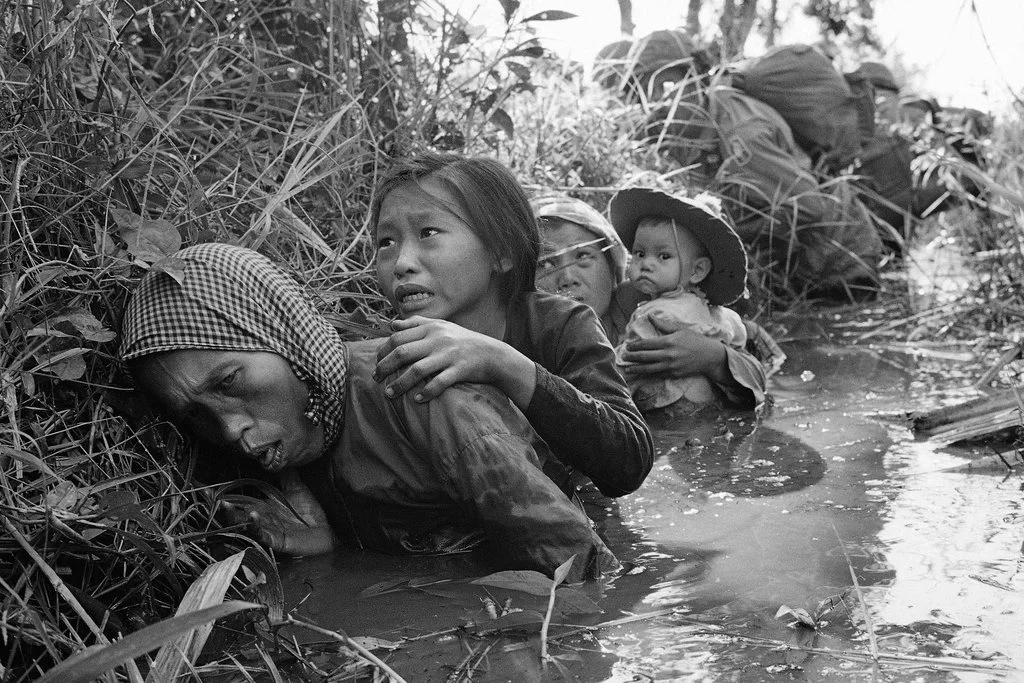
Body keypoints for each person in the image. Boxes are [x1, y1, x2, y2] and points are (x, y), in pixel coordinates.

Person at [119, 242, 617, 581]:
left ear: (284, 335)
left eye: (229, 382)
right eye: (196, 415)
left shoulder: (425, 398)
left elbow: (583, 573)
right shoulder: (292, 430)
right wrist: (328, 544)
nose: (229, 430)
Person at [369, 151, 653, 499]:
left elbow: (629, 461)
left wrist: (504, 364)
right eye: (387, 242)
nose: (402, 262)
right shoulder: (385, 350)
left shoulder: (560, 325)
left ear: (500, 252)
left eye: (428, 232)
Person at [595, 32, 885, 301]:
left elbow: (808, 207)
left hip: (843, 264)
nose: (656, 102)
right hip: (797, 270)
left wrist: (719, 233)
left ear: (695, 78)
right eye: (641, 92)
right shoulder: (685, 130)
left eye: (666, 86)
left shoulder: (743, 130)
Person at [532, 194, 774, 409]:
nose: (567, 278)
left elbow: (758, 377)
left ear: (613, 266)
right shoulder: (528, 342)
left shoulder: (659, 309)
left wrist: (713, 358)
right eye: (546, 263)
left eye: (582, 257)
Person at [609, 188, 750, 411]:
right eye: (639, 254)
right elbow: (739, 339)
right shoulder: (721, 315)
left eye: (663, 256)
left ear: (698, 271)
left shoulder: (652, 314)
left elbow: (625, 365)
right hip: (709, 406)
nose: (646, 264)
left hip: (663, 406)